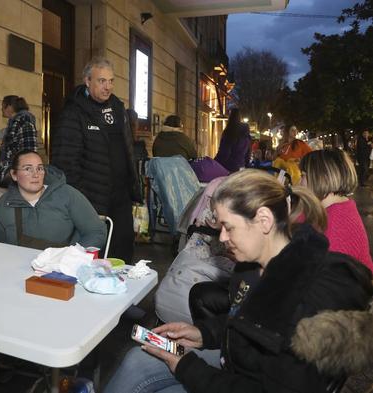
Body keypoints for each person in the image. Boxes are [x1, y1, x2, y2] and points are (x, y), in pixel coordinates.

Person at [104, 169, 372, 393]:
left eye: (228, 227)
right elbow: (246, 321)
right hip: (236, 365)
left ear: (264, 220)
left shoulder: (306, 303)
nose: (221, 237)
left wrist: (187, 367)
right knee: (136, 360)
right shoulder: (253, 265)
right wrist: (203, 333)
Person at [51, 57, 141, 264]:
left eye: (111, 81)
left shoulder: (118, 108)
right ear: (87, 81)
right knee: (95, 253)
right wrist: (81, 196)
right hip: (92, 198)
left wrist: (133, 185)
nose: (107, 87)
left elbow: (127, 149)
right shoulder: (73, 113)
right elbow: (65, 161)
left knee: (123, 248)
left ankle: (122, 289)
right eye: (101, 81)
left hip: (121, 195)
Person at [0, 150, 106, 249]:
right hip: (20, 268)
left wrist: (72, 256)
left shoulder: (67, 195)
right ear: (14, 174)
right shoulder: (4, 205)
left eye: (39, 168)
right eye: (28, 169)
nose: (36, 175)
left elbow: (96, 232)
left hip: (64, 267)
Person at [300, 148, 373, 271]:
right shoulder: (338, 207)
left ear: (322, 178)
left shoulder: (337, 231)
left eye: (303, 176)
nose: (299, 183)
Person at [0, 96, 38, 187]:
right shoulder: (15, 122)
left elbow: (29, 150)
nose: (1, 109)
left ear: (10, 107)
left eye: (3, 106)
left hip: (17, 175)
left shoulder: (24, 122)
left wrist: (16, 173)